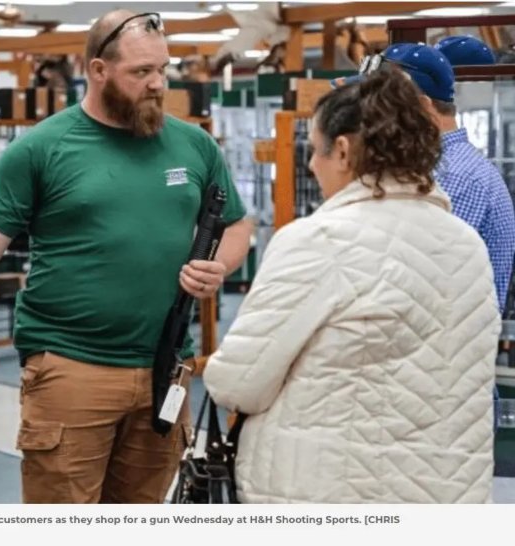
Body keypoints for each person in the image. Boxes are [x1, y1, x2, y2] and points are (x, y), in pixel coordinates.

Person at [0, 10, 251, 504]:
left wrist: (221, 265)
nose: (157, 84)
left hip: (167, 366)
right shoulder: (42, 148)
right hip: (70, 368)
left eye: (163, 69)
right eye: (141, 72)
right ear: (98, 70)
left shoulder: (194, 145)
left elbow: (236, 221)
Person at [204, 70, 500, 503]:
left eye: (314, 147)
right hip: (448, 497)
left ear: (342, 151)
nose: (309, 163)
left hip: (332, 495)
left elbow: (239, 383)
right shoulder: (466, 245)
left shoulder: (319, 242)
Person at [384, 42, 515, 313]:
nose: (375, 118)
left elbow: (416, 281)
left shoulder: (454, 176)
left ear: (422, 106)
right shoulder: (437, 169)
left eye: (385, 106)